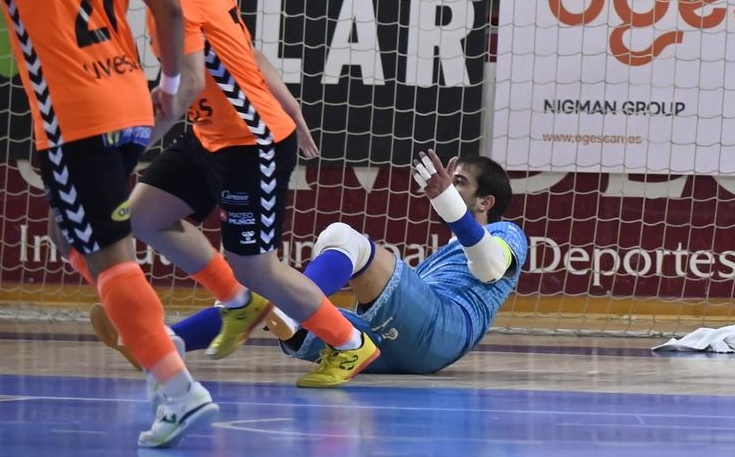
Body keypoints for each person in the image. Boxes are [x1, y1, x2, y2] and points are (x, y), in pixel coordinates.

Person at [0, 0, 229, 447]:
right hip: (131, 106)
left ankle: (175, 384)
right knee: (75, 236)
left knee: (108, 257)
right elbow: (167, 8)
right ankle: (154, 341)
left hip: (74, 119)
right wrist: (170, 87)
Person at [112, 0, 379, 388]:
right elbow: (248, 57)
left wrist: (129, 148)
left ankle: (349, 342)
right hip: (212, 133)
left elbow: (186, 86)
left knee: (255, 264)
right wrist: (292, 104)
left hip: (250, 142)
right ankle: (237, 301)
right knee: (145, 215)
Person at [94, 151, 529, 379]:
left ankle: (275, 310)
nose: (449, 185)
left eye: (460, 183)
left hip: (442, 331)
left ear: (485, 201)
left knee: (342, 239)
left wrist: (445, 200)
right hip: (407, 351)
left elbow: (490, 266)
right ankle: (164, 346)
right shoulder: (447, 250)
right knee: (272, 296)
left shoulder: (509, 235)